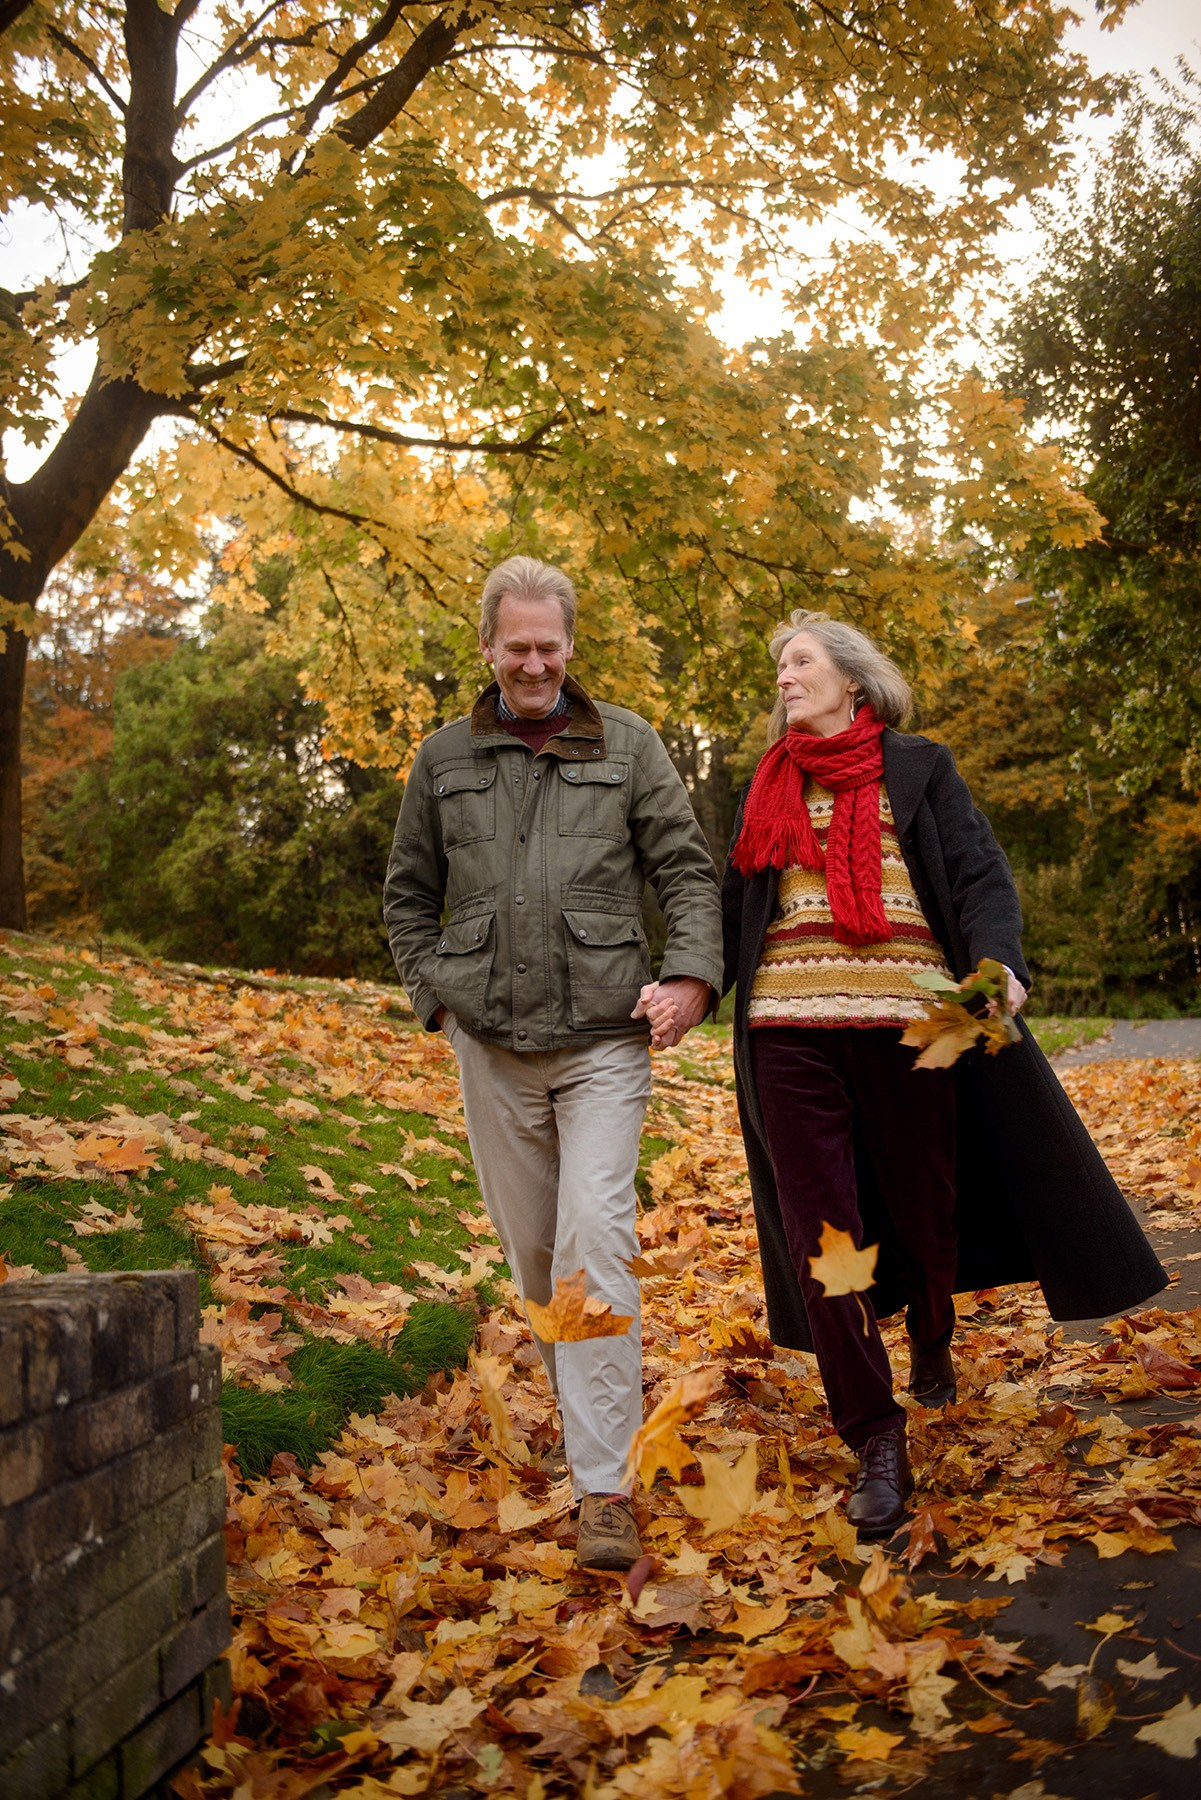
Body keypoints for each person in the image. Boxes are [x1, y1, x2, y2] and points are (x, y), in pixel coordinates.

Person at [717, 610, 1166, 1538]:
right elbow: (729, 911)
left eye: (798, 662)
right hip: (786, 1033)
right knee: (824, 1240)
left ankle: (929, 1327)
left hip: (920, 1023)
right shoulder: (764, 787)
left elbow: (977, 875)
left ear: (851, 678)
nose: (783, 678)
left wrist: (998, 964)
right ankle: (875, 1436)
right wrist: (685, 983)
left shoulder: (919, 767)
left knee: (926, 1211)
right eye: (779, 668)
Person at [383, 555, 723, 1570]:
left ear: (570, 647)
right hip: (489, 1046)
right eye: (516, 647)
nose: (533, 663)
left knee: (594, 1243)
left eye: (548, 646)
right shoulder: (443, 760)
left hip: (604, 1041)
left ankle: (602, 1487)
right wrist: (435, 996)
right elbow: (408, 893)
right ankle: (586, 1409)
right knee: (537, 1263)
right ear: (487, 649)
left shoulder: (629, 746)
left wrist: (692, 978)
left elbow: (685, 870)